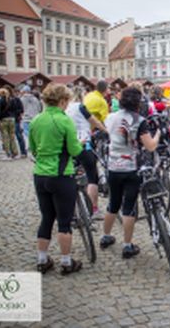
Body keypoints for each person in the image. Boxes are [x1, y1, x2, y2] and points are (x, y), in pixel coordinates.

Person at [99, 87, 161, 258]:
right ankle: (127, 245)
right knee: (129, 207)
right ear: (138, 102)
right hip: (131, 167)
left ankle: (105, 236)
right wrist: (158, 136)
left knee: (113, 203)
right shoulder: (139, 120)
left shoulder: (110, 117)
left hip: (113, 166)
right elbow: (150, 146)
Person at [29, 83, 84, 275]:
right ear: (62, 101)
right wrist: (81, 144)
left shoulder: (36, 120)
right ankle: (67, 262)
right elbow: (74, 150)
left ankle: (42, 260)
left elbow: (33, 149)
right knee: (64, 221)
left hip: (40, 175)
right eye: (67, 101)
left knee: (46, 218)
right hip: (61, 175)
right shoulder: (64, 120)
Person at [66, 87, 107, 220]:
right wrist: (105, 130)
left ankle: (71, 212)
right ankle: (94, 209)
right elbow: (94, 121)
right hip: (84, 145)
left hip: (69, 146)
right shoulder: (80, 107)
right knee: (92, 177)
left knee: (69, 177)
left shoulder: (64, 109)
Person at [0, 88, 19, 159]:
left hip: (4, 119)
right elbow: (15, 110)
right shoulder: (12, 100)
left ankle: (8, 153)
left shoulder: (0, 101)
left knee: (5, 137)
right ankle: (15, 152)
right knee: (12, 136)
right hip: (12, 119)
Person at [6, 85, 27, 158]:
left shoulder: (16, 99)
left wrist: (16, 114)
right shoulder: (5, 100)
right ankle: (13, 152)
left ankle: (23, 152)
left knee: (18, 136)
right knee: (10, 137)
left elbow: (21, 109)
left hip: (15, 119)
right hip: (9, 119)